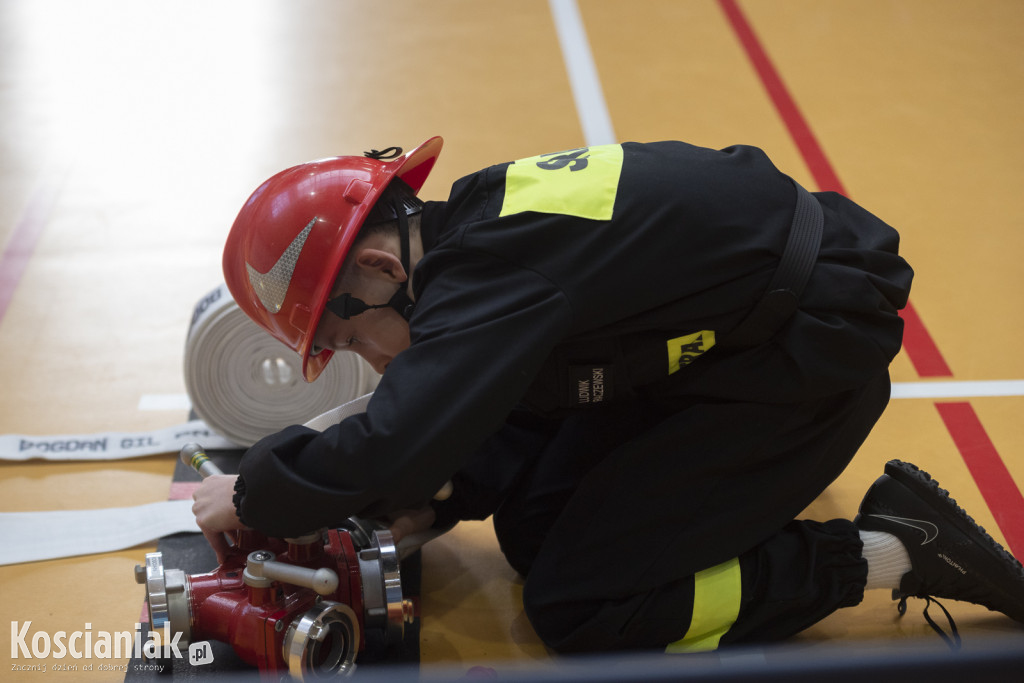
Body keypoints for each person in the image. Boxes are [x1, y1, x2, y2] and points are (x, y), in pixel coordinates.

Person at [191, 137, 1024, 652]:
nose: (368, 363)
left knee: (581, 606)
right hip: (733, 330)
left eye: (347, 339)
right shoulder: (478, 234)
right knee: (535, 526)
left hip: (807, 347)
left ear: (378, 270)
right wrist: (441, 502)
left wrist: (258, 489)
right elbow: (521, 389)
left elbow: (399, 436)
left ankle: (895, 548)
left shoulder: (485, 274)